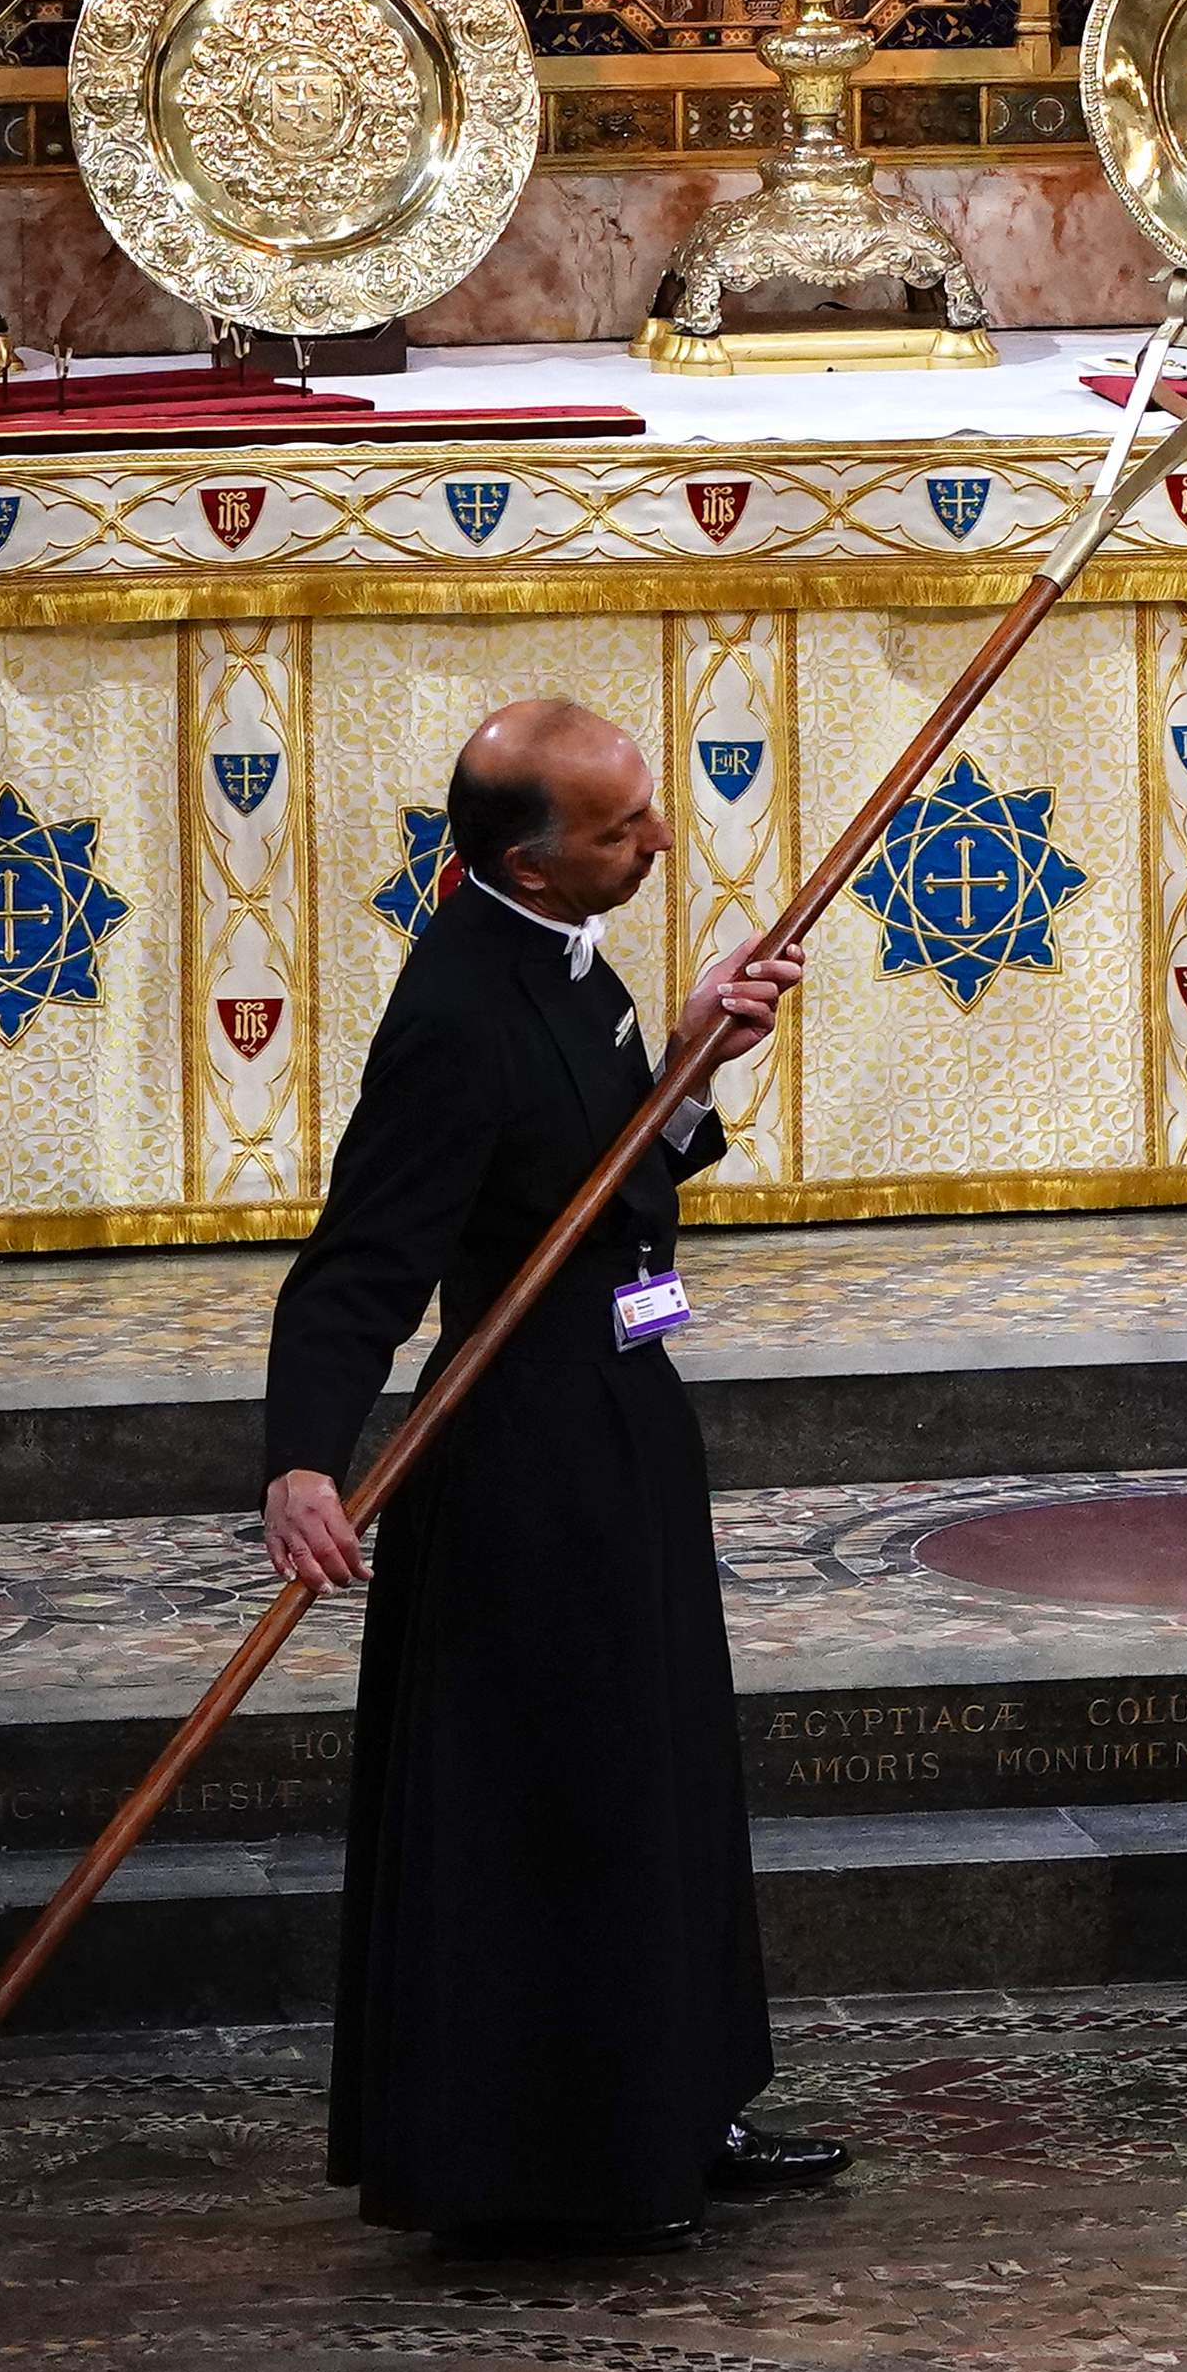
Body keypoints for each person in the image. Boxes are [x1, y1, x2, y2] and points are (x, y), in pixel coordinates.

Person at [262, 699, 832, 2251]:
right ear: (526, 857)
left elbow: (608, 1182)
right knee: (560, 1807)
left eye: (645, 811)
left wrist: (697, 1058)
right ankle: (552, 2161)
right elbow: (363, 1258)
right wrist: (306, 1455)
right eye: (621, 828)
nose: (657, 841)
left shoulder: (572, 964)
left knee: (659, 1783)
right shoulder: (454, 1011)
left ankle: (677, 2106)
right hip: (520, 1470)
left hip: (626, 1427)